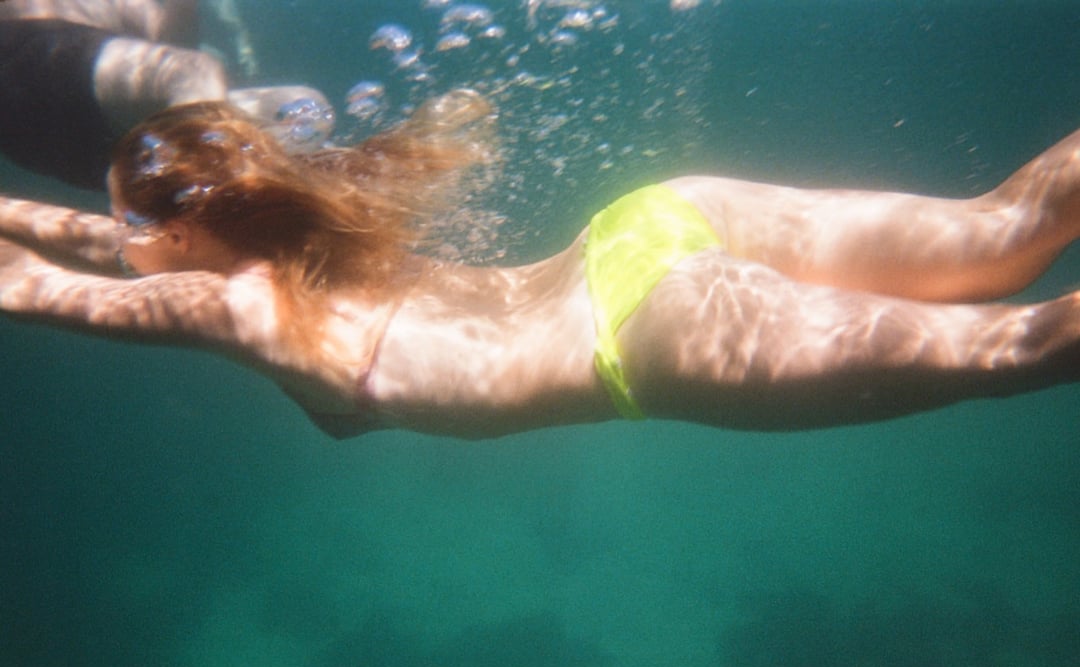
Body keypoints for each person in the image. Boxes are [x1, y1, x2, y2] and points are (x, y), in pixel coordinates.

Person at [0, 89, 1077, 438]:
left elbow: (33, 288)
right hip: (649, 224)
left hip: (647, 327)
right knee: (1003, 228)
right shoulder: (298, 226)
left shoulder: (236, 306)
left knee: (1021, 344)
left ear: (186, 231)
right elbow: (99, 248)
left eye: (126, 221)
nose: (110, 233)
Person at [0, 0, 330, 190]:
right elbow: (181, 69)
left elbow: (169, 49)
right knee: (191, 72)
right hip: (31, 63)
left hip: (103, 138)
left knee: (298, 108)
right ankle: (218, 216)